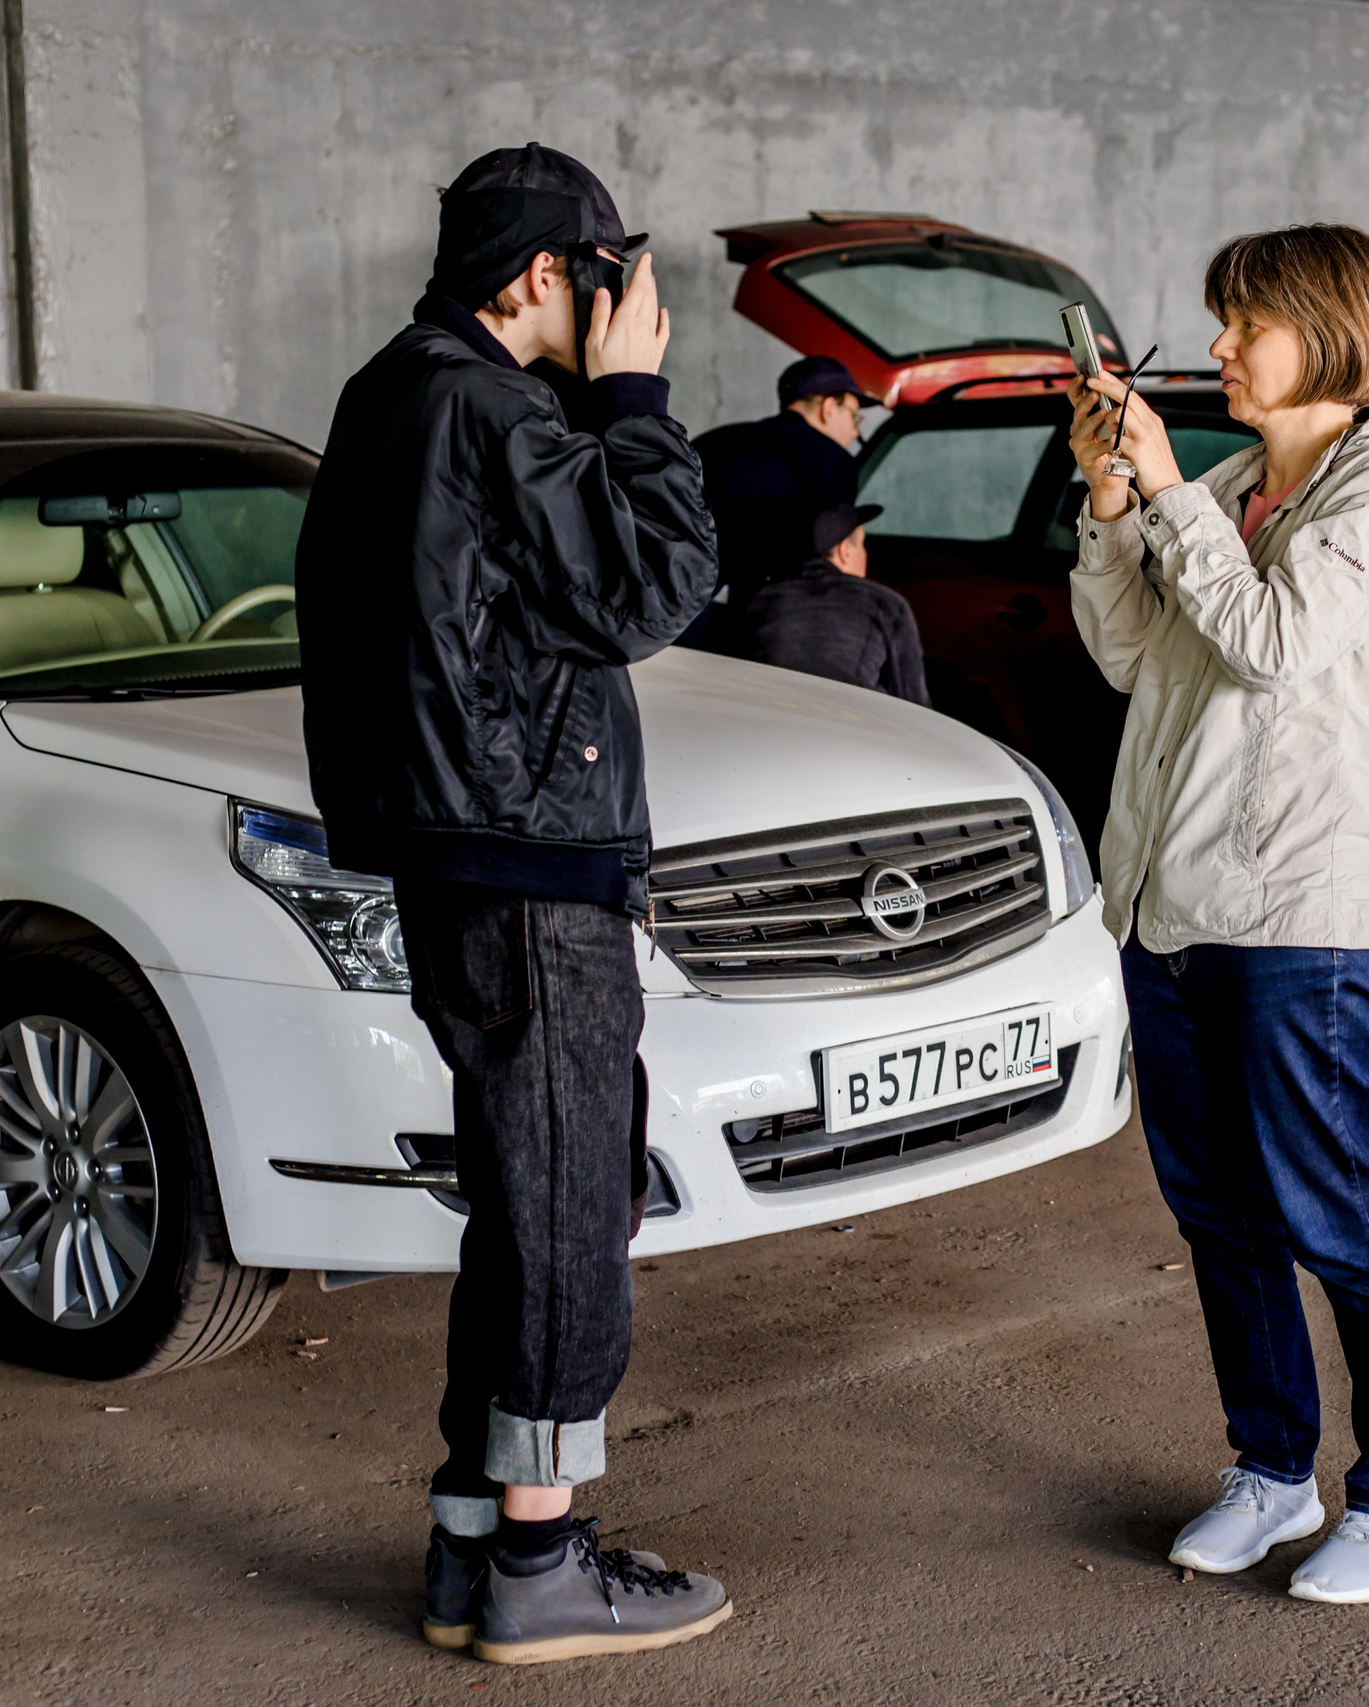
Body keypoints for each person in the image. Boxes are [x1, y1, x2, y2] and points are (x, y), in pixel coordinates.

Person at [293, 143, 727, 1665]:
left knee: (521, 1199)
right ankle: (542, 1559)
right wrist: (636, 404)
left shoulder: (389, 394)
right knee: (566, 1205)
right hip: (529, 865)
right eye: (605, 274)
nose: (623, 302)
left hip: (467, 856)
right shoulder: (491, 407)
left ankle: (472, 1542)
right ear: (545, 274)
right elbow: (655, 584)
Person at [1070, 224, 1369, 1605]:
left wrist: (1167, 493)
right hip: (1171, 904)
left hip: (1300, 909)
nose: (1221, 347)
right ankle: (1272, 1468)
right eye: (1222, 320)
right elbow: (1132, 654)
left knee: (1336, 1205)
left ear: (1331, 329)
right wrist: (1113, 504)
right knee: (1221, 1213)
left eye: (1247, 323)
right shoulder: (1233, 486)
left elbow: (1276, 642)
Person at [690, 353, 878, 637]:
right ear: (829, 407)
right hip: (778, 623)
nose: (854, 432)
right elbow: (825, 559)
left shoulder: (714, 441)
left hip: (680, 599)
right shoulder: (834, 462)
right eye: (854, 416)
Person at [726, 500, 930, 704]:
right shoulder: (887, 605)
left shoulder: (761, 601)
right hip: (847, 720)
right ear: (845, 551)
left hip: (767, 714)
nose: (865, 554)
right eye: (863, 545)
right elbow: (914, 703)